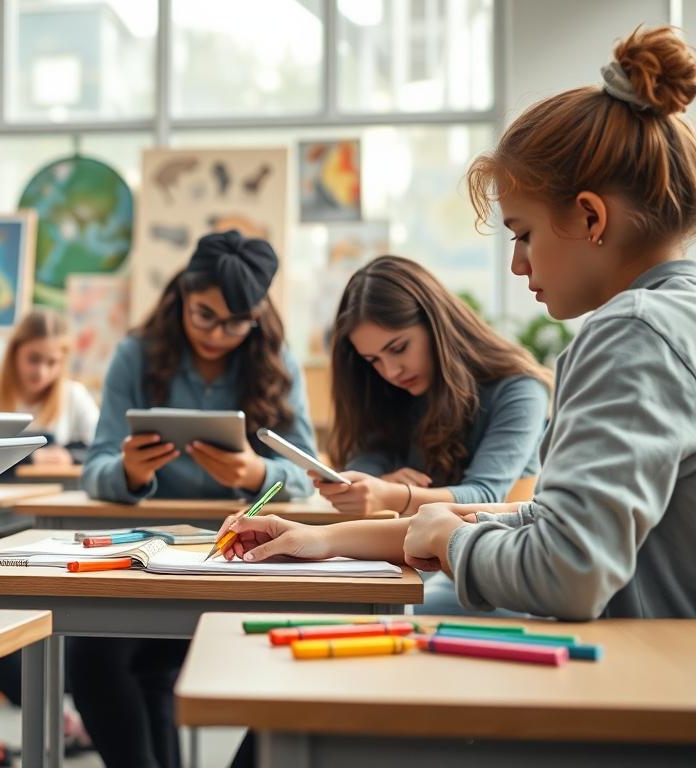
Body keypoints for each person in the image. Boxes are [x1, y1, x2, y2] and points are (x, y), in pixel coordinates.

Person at [222, 25, 696, 624]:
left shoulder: (634, 335)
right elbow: (545, 522)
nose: (518, 262)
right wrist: (319, 538)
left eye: (524, 234)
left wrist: (447, 539)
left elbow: (567, 571)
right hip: (655, 673)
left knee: (293, 706)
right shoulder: (673, 316)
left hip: (647, 693)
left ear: (590, 217)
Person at [72, 230, 316, 768]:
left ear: (257, 316)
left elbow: (305, 475)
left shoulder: (275, 359)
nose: (217, 334)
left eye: (235, 323)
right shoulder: (136, 355)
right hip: (149, 556)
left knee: (293, 660)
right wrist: (130, 473)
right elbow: (96, 470)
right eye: (204, 314)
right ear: (183, 292)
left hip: (243, 554)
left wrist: (257, 473)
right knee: (89, 656)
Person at [323, 255, 552, 615]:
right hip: (411, 562)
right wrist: (375, 481)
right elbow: (366, 457)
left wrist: (395, 495)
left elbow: (485, 493)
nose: (391, 370)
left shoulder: (518, 390)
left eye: (398, 348)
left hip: (489, 571)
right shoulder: (397, 390)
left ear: (436, 325)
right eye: (373, 360)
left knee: (363, 611)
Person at [0, 309, 98, 465]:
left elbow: (103, 447)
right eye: (33, 359)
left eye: (52, 362)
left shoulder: (75, 395)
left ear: (63, 362)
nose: (41, 372)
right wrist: (30, 458)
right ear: (14, 353)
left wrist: (71, 456)